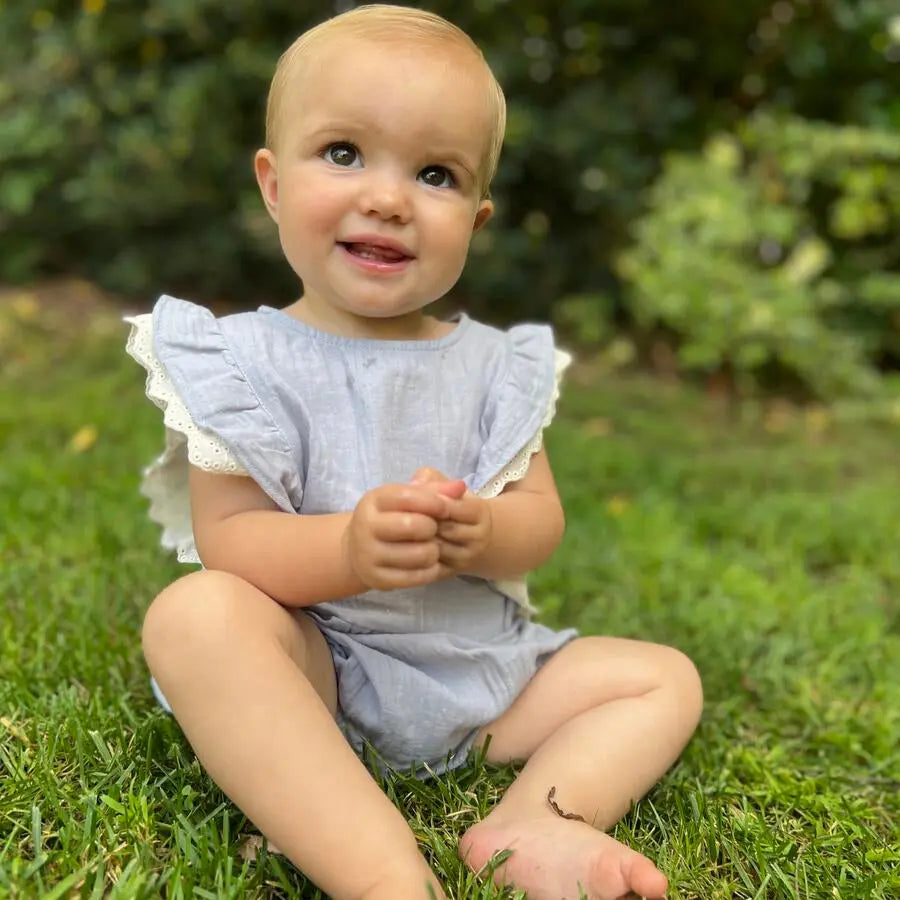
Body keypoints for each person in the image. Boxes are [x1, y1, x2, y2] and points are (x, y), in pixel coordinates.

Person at [125, 5, 703, 899]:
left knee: (662, 679)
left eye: (434, 173)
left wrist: (483, 530)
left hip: (479, 677)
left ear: (474, 221)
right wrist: (349, 550)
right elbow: (233, 541)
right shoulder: (239, 360)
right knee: (195, 618)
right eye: (345, 153)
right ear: (273, 186)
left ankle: (539, 818)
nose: (389, 199)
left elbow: (540, 521)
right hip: (319, 672)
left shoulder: (492, 368)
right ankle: (384, 873)